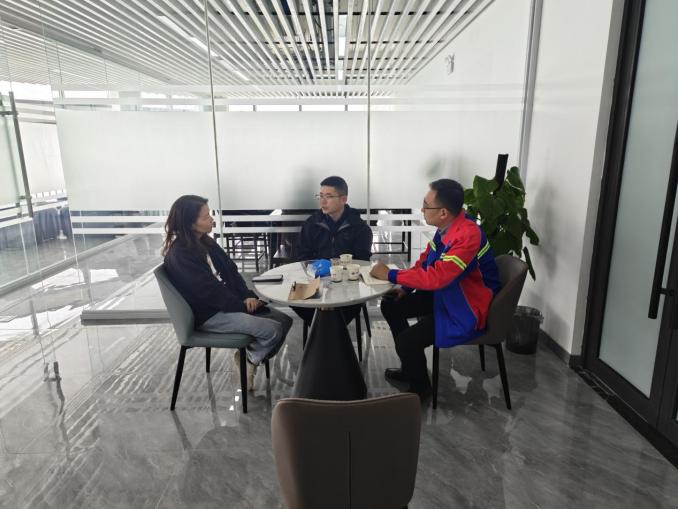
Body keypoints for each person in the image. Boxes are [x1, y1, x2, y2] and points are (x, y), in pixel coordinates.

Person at [370, 179, 501, 401]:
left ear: (443, 212)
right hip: (448, 294)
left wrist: (390, 274)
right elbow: (426, 261)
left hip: (465, 305)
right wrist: (406, 287)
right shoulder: (447, 228)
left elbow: (437, 277)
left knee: (407, 341)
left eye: (426, 205)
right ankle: (411, 367)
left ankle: (420, 390)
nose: (422, 210)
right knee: (391, 304)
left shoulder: (467, 235)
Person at [163, 195, 292, 390]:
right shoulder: (181, 254)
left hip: (225, 304)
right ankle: (250, 360)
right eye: (206, 217)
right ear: (190, 223)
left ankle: (248, 357)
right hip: (209, 314)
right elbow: (208, 292)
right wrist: (242, 306)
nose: (212, 219)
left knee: (285, 320)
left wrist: (247, 296)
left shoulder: (206, 242)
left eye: (210, 214)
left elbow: (231, 273)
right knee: (273, 330)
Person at [292, 176, 373, 327]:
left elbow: (362, 261)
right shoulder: (312, 224)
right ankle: (327, 331)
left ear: (343, 199)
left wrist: (337, 269)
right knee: (294, 297)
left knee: (345, 308)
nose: (322, 202)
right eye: (320, 196)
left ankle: (326, 332)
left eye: (328, 197)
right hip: (316, 281)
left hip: (348, 285)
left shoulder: (359, 227)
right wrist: (316, 270)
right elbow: (302, 257)